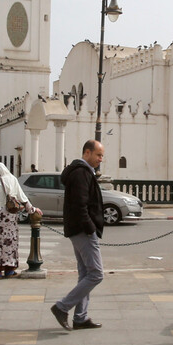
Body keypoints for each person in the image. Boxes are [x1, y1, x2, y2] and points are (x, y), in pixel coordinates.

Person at [50, 140, 106, 331]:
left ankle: (80, 318)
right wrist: (90, 228)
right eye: (98, 155)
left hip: (77, 229)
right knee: (96, 274)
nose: (101, 159)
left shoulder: (79, 172)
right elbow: (80, 205)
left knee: (85, 274)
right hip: (83, 230)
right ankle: (62, 307)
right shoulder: (82, 173)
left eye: (102, 156)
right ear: (87, 153)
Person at [0, 162, 39, 278]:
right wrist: (32, 209)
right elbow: (22, 197)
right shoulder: (12, 179)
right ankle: (9, 269)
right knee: (9, 242)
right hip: (9, 215)